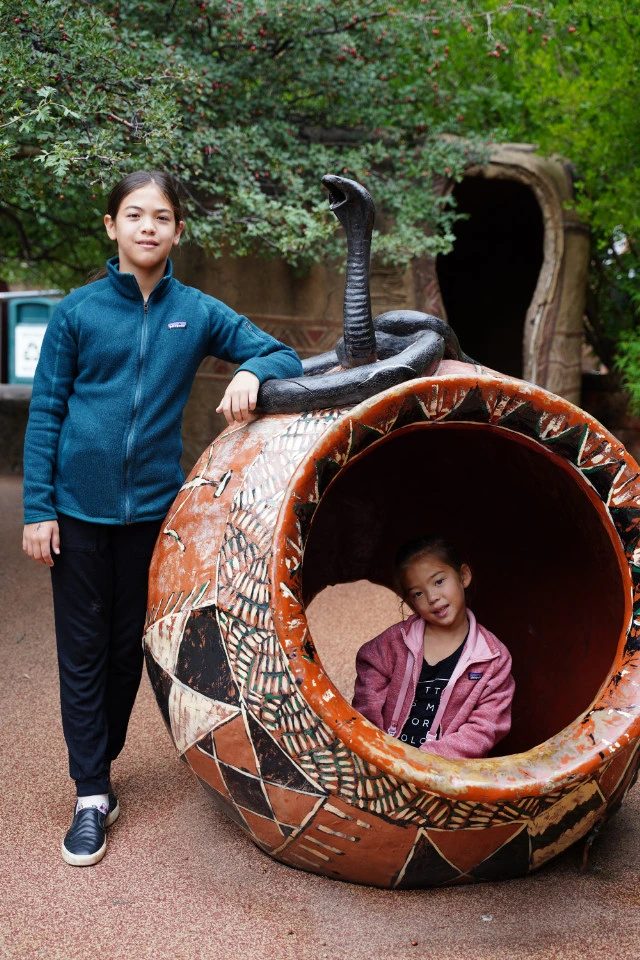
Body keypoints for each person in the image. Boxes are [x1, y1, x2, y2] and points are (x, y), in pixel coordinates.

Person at [22, 170, 303, 867]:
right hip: (76, 514)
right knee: (83, 650)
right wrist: (38, 509)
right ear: (112, 226)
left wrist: (251, 373)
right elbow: (46, 415)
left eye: (162, 216)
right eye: (134, 214)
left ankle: (99, 765)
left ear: (178, 231)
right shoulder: (78, 313)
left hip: (153, 516)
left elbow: (281, 351)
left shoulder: (198, 312)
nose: (148, 226)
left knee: (128, 653)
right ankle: (91, 792)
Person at [352, 536, 514, 758]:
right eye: (418, 593)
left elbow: (485, 727)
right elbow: (370, 669)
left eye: (438, 581)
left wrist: (429, 760)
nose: (432, 597)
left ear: (463, 576)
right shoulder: (397, 640)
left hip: (445, 773)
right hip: (386, 758)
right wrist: (377, 741)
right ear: (409, 601)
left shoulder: (492, 658)